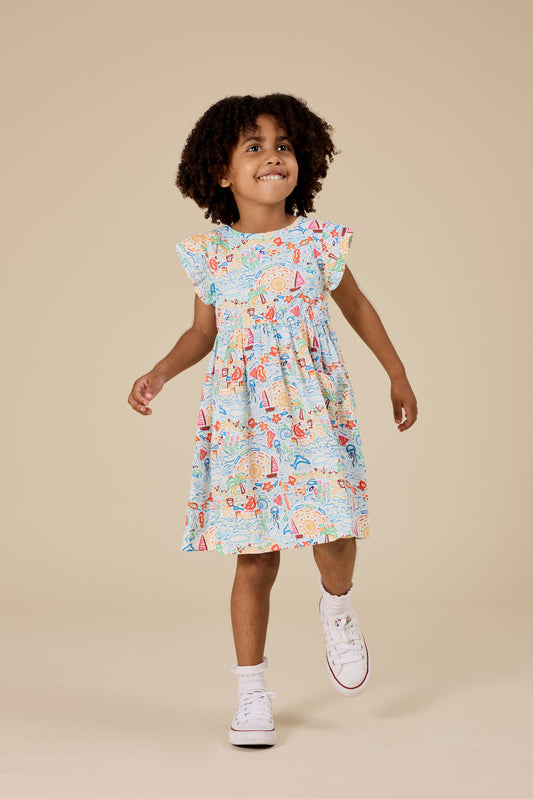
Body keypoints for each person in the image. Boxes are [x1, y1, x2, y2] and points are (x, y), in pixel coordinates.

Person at [128, 93, 418, 747]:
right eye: (253, 147)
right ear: (221, 172)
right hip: (245, 423)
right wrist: (160, 372)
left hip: (312, 412)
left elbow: (358, 307)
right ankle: (251, 693)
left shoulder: (316, 241)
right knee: (255, 559)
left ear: (302, 158)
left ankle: (336, 606)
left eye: (282, 145)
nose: (272, 156)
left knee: (334, 533)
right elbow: (202, 332)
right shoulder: (213, 254)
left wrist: (396, 373)